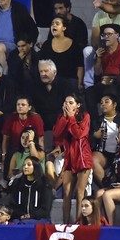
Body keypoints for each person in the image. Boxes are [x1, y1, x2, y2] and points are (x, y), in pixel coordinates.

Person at [52, 94, 93, 224]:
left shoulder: (85, 116)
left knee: (80, 192)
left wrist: (71, 118)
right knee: (66, 192)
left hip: (82, 157)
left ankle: (79, 223)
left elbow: (79, 134)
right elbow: (57, 134)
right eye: (65, 102)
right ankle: (65, 223)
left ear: (78, 105)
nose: (67, 105)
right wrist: (65, 118)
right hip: (69, 159)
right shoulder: (62, 117)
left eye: (70, 102)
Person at [91, 93, 120, 185]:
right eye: (101, 103)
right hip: (104, 154)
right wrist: (95, 136)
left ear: (114, 105)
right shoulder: (96, 121)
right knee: (93, 158)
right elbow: (88, 141)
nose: (103, 104)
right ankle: (106, 185)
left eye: (107, 102)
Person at [39, 15, 84, 91]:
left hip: (69, 80)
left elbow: (80, 67)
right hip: (51, 80)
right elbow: (42, 64)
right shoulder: (46, 45)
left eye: (57, 23)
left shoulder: (74, 45)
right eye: (52, 24)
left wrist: (79, 83)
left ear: (64, 28)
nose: (54, 25)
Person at [7, 156, 52, 224]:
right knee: (12, 224)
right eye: (24, 165)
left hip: (40, 219)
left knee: (24, 224)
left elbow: (45, 209)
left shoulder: (44, 184)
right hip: (21, 218)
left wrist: (31, 215)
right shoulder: (18, 183)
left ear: (36, 167)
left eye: (29, 165)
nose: (25, 167)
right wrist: (21, 215)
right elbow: (13, 205)